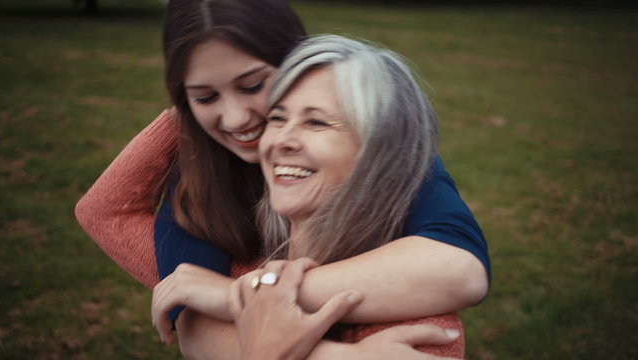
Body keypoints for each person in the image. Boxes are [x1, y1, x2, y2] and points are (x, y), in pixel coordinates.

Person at [74, 0, 490, 357]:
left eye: (253, 84)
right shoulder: (202, 178)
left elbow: (459, 268)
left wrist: (238, 295)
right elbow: (194, 325)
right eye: (206, 96)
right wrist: (183, 114)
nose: (237, 119)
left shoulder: (384, 151)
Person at [153, 34, 468, 359]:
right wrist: (186, 109)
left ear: (379, 155)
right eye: (277, 118)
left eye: (316, 122)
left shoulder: (417, 330)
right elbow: (107, 212)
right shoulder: (244, 262)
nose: (281, 140)